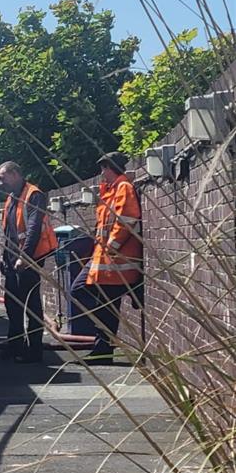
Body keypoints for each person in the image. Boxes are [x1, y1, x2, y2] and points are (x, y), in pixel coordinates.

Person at [71, 152, 143, 365]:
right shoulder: (110, 191)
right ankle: (102, 350)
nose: (102, 173)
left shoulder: (123, 188)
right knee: (95, 300)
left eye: (104, 168)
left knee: (104, 306)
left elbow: (127, 219)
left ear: (111, 168)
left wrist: (112, 247)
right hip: (104, 264)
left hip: (116, 264)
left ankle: (102, 352)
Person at [0, 161, 58, 363]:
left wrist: (26, 257)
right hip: (13, 260)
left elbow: (33, 229)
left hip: (29, 259)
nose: (1, 183)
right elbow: (9, 233)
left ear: (15, 174)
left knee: (31, 305)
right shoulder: (12, 198)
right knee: (12, 304)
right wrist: (5, 258)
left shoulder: (34, 195)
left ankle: (34, 350)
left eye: (3, 178)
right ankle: (15, 346)